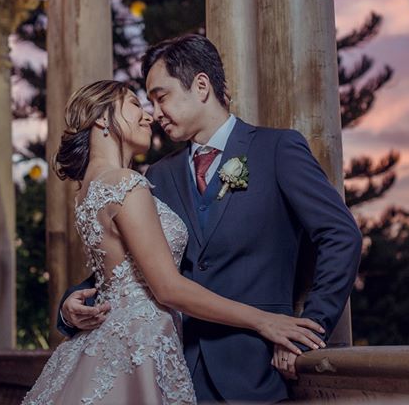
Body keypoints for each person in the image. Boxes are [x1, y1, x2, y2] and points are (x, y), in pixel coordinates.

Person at [57, 34, 363, 402]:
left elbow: (341, 236)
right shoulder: (156, 175)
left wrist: (309, 330)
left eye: (161, 96)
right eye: (148, 101)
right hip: (172, 374)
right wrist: (70, 306)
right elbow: (129, 268)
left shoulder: (276, 149)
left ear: (201, 86)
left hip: (258, 370)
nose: (153, 113)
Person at [20, 80, 327, 405]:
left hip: (112, 343)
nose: (148, 116)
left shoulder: (86, 192)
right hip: (144, 345)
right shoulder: (125, 183)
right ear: (101, 118)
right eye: (135, 104)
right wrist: (266, 320)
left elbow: (119, 272)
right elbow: (166, 287)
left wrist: (70, 311)